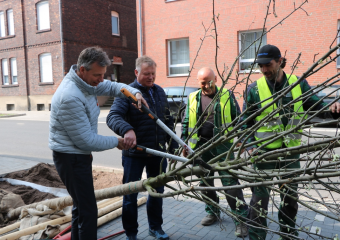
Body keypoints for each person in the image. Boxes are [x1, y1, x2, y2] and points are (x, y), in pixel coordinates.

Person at [241, 44, 340, 240]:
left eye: (268, 65)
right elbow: (245, 125)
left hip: (290, 155)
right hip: (263, 155)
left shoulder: (298, 84)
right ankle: (256, 237)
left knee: (290, 200)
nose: (264, 70)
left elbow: (317, 107)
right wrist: (251, 146)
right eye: (260, 66)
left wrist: (333, 109)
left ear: (280, 61)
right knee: (259, 201)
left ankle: (287, 234)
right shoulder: (253, 90)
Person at [49, 46, 148, 240]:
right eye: (97, 75)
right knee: (88, 211)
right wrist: (117, 141)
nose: (101, 79)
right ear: (82, 69)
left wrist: (134, 93)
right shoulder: (70, 96)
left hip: (79, 156)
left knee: (81, 206)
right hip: (71, 158)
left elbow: (113, 87)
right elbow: (86, 140)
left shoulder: (86, 84)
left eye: (103, 74)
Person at [106, 56, 178, 240]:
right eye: (147, 74)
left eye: (153, 73)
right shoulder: (126, 93)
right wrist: (127, 130)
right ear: (136, 72)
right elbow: (113, 116)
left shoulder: (160, 92)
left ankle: (155, 228)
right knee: (130, 195)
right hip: (134, 154)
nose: (151, 77)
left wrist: (173, 147)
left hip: (157, 153)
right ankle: (131, 234)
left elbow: (167, 121)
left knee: (157, 192)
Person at [181, 67, 249, 237]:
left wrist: (240, 139)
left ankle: (240, 220)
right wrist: (184, 143)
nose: (206, 86)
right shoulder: (192, 97)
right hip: (200, 149)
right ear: (199, 82)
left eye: (209, 82)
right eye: (203, 83)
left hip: (223, 148)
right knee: (205, 183)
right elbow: (186, 121)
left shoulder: (226, 95)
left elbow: (237, 117)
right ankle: (212, 211)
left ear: (216, 79)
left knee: (230, 185)